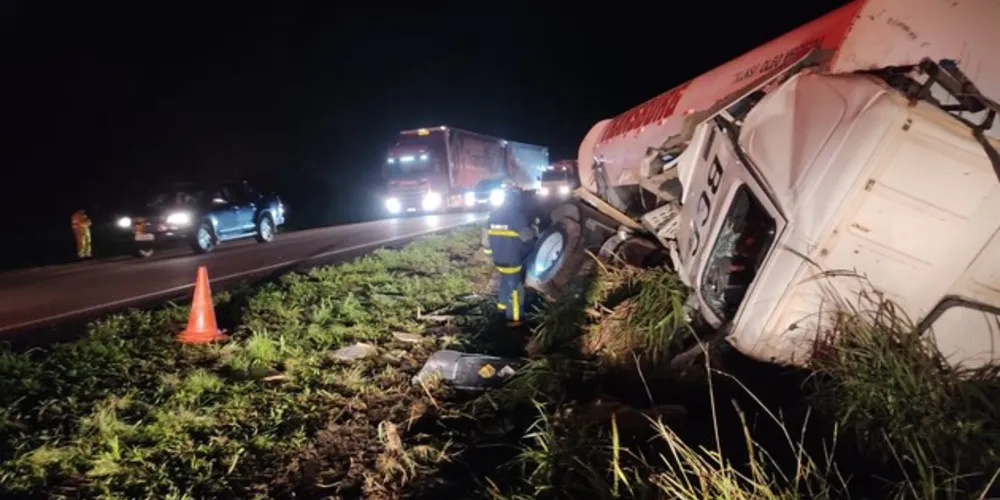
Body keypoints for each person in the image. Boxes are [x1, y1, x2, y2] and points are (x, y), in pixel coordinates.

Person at [483, 187, 536, 326]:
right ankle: (515, 318)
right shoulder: (517, 217)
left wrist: (490, 254)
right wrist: (534, 234)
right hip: (512, 260)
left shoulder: (493, 215)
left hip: (499, 259)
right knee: (515, 288)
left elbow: (486, 241)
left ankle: (502, 307)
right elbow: (527, 238)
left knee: (504, 281)